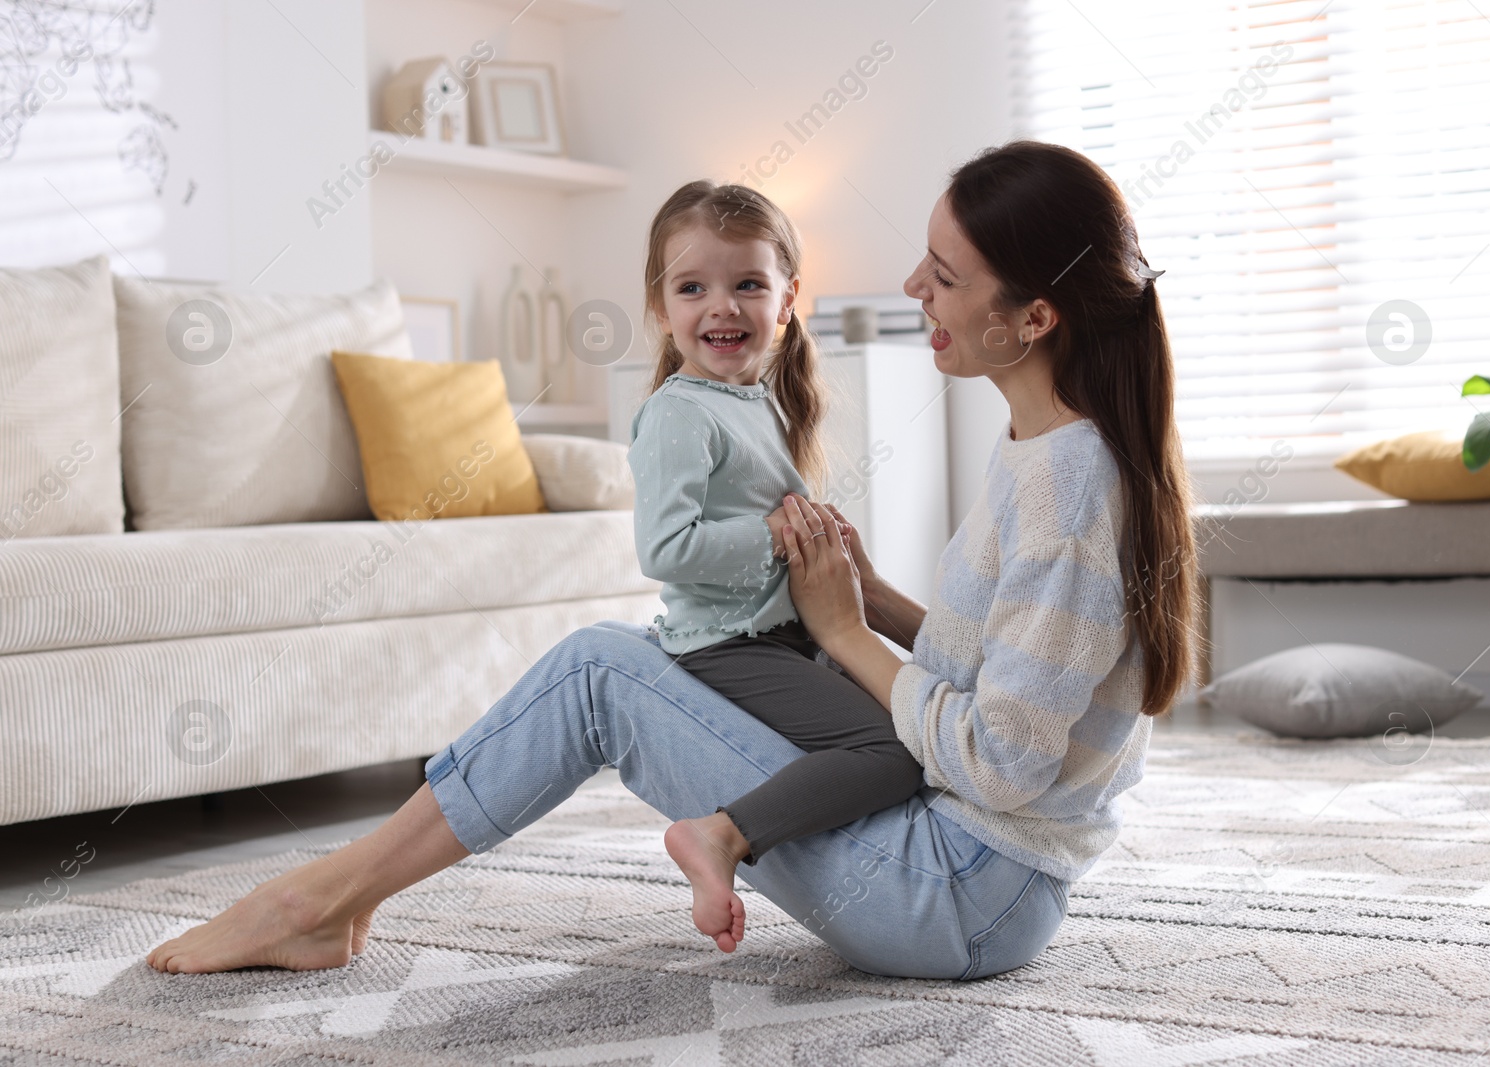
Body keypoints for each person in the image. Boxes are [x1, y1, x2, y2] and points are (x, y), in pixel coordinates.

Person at [145, 140, 1197, 981]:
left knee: (600, 667)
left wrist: (837, 631)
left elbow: (999, 761)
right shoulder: (1044, 451)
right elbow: (997, 673)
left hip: (958, 891)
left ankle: (317, 900)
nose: (913, 282)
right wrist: (876, 603)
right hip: (971, 869)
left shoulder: (1065, 494)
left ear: (1034, 317)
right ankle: (336, 896)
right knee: (615, 659)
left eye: (947, 271)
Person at [628, 180, 925, 952]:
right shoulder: (677, 413)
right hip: (728, 641)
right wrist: (775, 534)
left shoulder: (761, 402)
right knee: (893, 746)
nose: (720, 306)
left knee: (928, 716)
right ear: (662, 307)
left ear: (788, 299)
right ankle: (721, 836)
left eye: (747, 285)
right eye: (692, 287)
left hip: (784, 633)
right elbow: (666, 549)